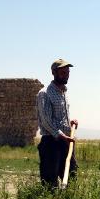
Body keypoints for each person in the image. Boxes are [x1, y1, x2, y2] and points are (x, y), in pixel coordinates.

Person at [36, 59, 79, 189]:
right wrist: (62, 136)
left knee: (71, 176)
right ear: (54, 72)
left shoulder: (63, 92)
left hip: (65, 142)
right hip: (51, 142)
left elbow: (59, 118)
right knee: (50, 181)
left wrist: (69, 123)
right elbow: (46, 120)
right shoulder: (45, 93)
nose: (66, 74)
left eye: (68, 72)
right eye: (63, 72)